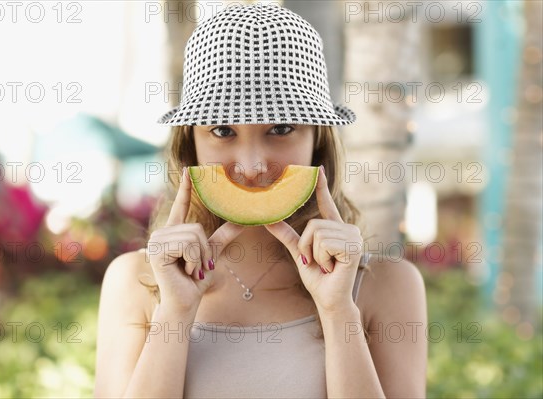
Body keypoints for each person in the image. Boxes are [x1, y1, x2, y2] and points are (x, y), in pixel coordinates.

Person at [94, 3, 427, 398]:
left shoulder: (389, 286)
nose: (251, 166)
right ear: (190, 146)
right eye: (222, 130)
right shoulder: (135, 282)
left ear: (318, 142)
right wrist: (175, 313)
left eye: (280, 128)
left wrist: (339, 313)